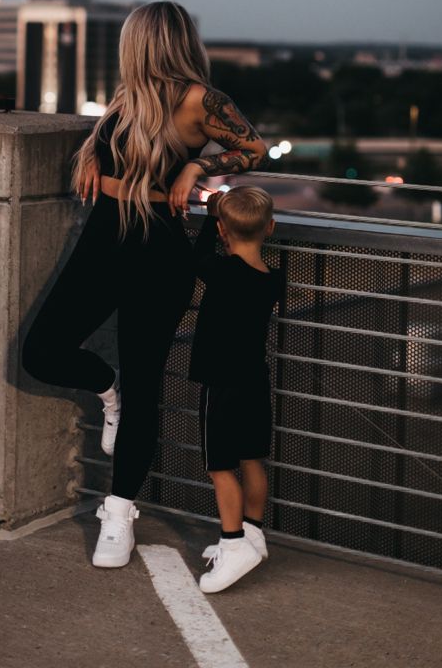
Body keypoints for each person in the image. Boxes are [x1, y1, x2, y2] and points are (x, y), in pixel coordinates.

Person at [22, 1, 266, 569]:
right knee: (42, 351)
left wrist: (196, 168)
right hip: (102, 243)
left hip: (159, 251)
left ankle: (119, 509)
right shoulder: (128, 96)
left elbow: (255, 147)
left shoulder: (202, 101)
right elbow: (107, 144)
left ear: (147, 41)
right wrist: (90, 156)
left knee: (148, 385)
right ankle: (107, 388)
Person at [189, 186, 284, 594]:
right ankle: (253, 533)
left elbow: (197, 259)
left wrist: (211, 217)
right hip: (254, 380)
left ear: (225, 231)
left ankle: (233, 544)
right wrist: (223, 219)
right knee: (251, 459)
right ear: (271, 227)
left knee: (219, 467)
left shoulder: (223, 273)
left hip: (221, 383)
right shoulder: (272, 280)